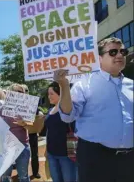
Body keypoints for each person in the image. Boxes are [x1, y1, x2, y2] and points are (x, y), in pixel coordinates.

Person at [55, 37, 133, 182]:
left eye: (123, 51)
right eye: (113, 52)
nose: (120, 55)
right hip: (95, 158)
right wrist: (64, 86)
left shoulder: (131, 85)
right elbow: (68, 116)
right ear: (99, 58)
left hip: (129, 160)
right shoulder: (84, 83)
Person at [21, 84, 41, 179]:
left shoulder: (33, 102)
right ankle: (22, 173)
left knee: (34, 154)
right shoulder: (15, 103)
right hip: (21, 133)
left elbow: (37, 114)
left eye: (26, 90)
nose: (25, 92)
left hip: (32, 133)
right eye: (22, 91)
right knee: (23, 156)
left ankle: (35, 172)